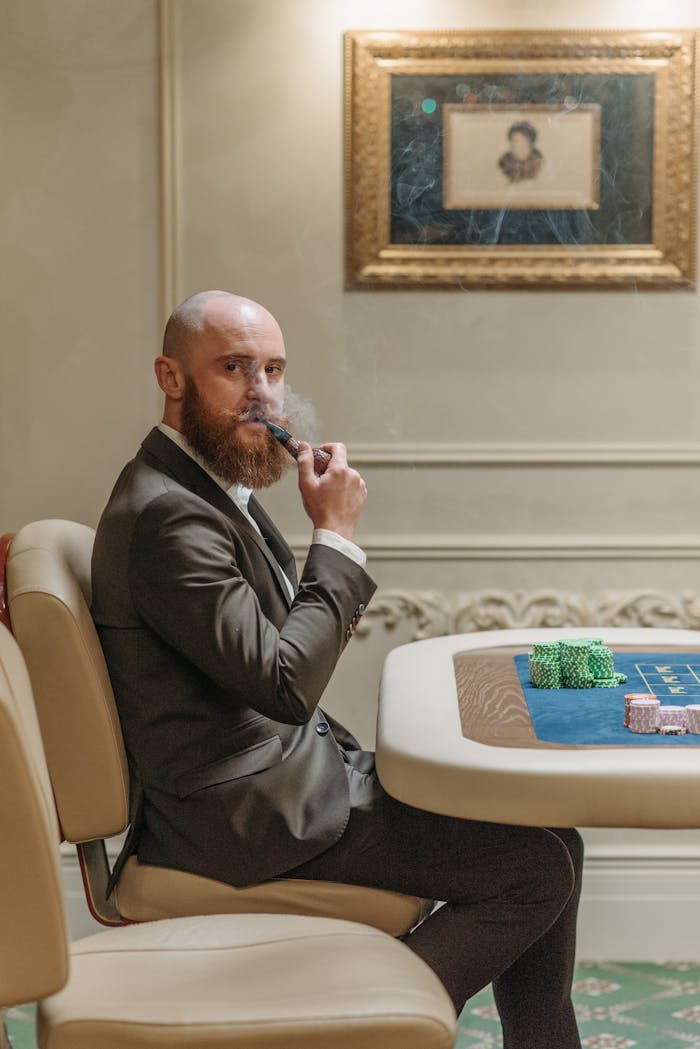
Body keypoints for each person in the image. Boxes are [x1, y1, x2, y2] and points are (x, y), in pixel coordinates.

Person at [92, 290, 583, 1048]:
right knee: (536, 870)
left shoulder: (210, 492)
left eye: (274, 369)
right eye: (233, 367)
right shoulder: (168, 515)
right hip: (239, 818)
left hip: (285, 780)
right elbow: (284, 684)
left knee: (555, 833)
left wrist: (325, 541)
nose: (261, 391)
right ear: (172, 377)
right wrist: (338, 538)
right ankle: (375, 1028)